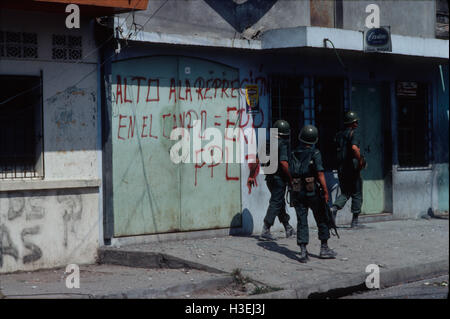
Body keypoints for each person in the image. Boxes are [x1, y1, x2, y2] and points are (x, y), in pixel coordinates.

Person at [289, 125, 337, 262]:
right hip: (312, 192)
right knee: (322, 217)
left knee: (301, 220)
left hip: (298, 191)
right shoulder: (315, 153)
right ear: (314, 139)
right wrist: (326, 191)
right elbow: (320, 173)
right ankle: (324, 248)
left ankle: (303, 252)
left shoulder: (293, 153)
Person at [247, 119, 295, 241]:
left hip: (269, 178)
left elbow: (256, 161)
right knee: (276, 202)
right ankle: (266, 229)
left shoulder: (266, 143)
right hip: (279, 178)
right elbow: (284, 163)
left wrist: (251, 175)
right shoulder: (282, 144)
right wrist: (291, 179)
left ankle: (287, 227)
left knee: (279, 202)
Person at [331, 110, 365, 228]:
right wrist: (360, 160)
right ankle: (355, 221)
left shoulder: (339, 135)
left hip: (341, 169)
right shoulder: (354, 134)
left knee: (345, 192)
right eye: (355, 121)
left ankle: (334, 208)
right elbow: (355, 148)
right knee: (356, 193)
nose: (357, 123)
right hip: (352, 169)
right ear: (352, 123)